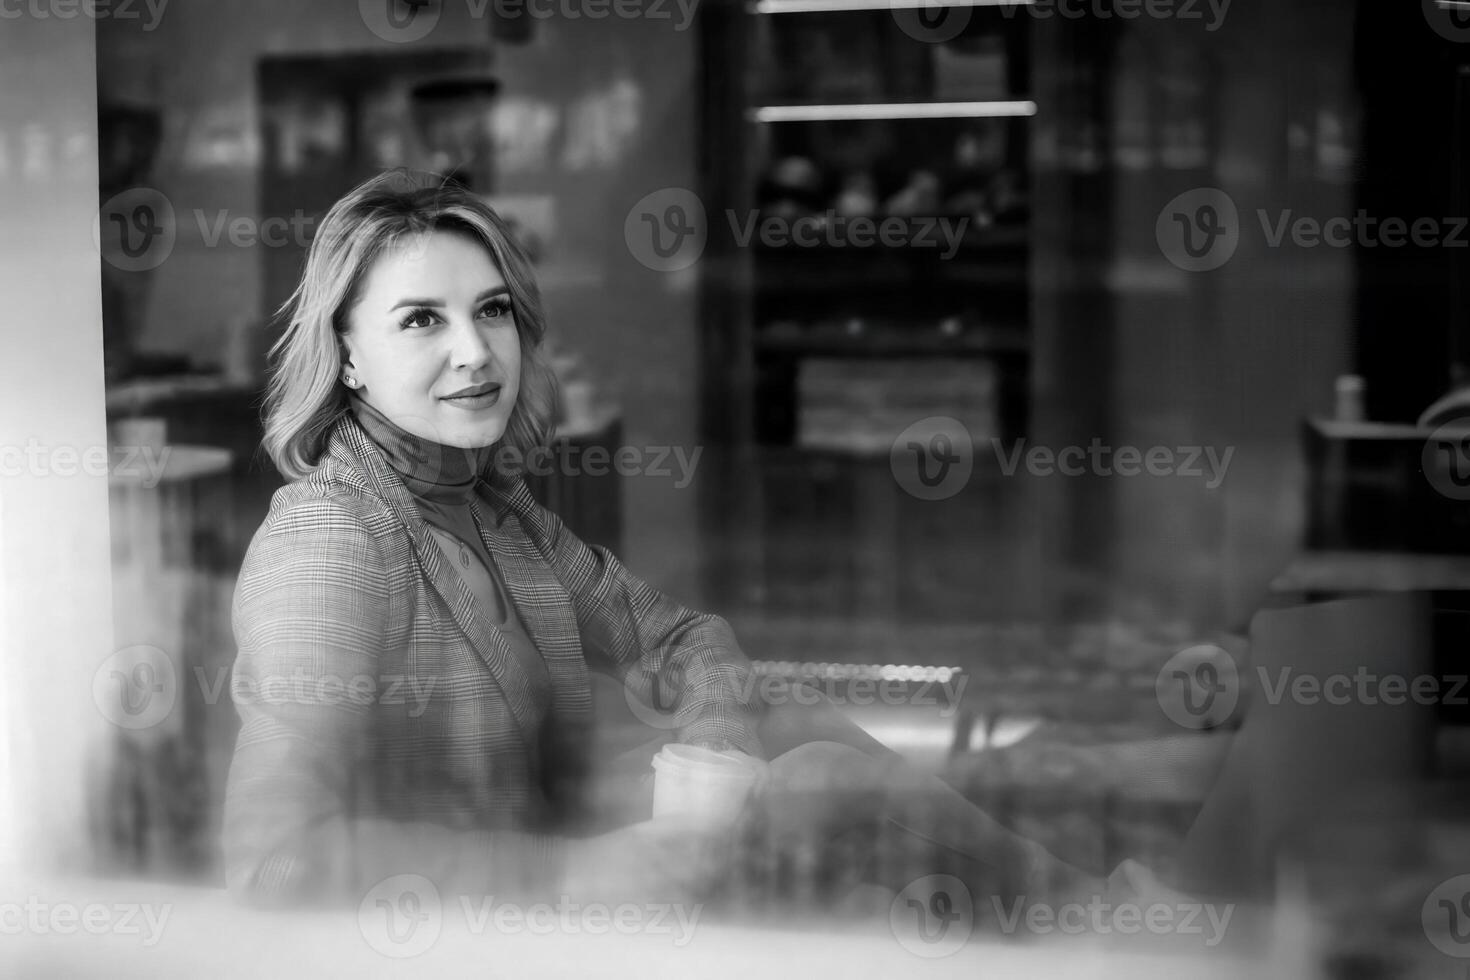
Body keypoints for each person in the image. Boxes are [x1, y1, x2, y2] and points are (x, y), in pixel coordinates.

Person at [222, 168, 1100, 913]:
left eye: (490, 311)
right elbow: (274, 865)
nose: (476, 353)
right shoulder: (330, 538)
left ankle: (1072, 908)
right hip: (477, 930)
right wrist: (578, 872)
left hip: (567, 874)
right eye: (421, 320)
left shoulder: (498, 509)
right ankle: (1087, 922)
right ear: (345, 356)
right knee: (817, 780)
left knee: (785, 718)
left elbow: (690, 640)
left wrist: (715, 749)